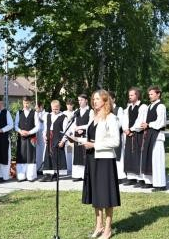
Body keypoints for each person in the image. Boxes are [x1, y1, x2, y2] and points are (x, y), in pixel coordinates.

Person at [74, 90, 120, 239]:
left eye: (98, 99)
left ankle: (108, 229)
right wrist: (77, 140)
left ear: (105, 101)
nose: (94, 101)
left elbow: (115, 142)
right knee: (95, 193)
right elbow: (90, 137)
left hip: (104, 160)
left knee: (106, 194)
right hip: (92, 158)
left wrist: (94, 145)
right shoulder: (93, 117)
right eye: (93, 99)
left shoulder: (112, 118)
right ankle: (99, 225)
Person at [140, 86, 167, 191]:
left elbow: (161, 122)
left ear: (158, 94)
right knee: (149, 158)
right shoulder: (150, 106)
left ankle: (160, 184)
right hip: (149, 135)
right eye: (149, 94)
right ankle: (150, 181)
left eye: (151, 94)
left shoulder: (161, 106)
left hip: (157, 136)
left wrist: (149, 124)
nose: (149, 96)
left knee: (157, 160)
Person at [122, 87, 148, 187]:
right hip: (129, 134)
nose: (130, 97)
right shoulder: (128, 107)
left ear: (137, 95)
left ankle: (140, 179)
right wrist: (126, 129)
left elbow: (140, 121)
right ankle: (131, 178)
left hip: (138, 134)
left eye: (132, 95)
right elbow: (125, 119)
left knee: (138, 155)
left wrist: (132, 129)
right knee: (129, 155)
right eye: (129, 95)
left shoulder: (143, 106)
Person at [39, 100, 68, 182]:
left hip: (57, 138)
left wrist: (63, 141)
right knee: (48, 156)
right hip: (49, 139)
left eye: (56, 109)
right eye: (53, 109)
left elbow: (66, 131)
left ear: (59, 107)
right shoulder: (48, 116)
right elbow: (45, 128)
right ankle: (48, 174)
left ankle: (55, 174)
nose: (55, 111)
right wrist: (44, 136)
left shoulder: (63, 117)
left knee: (57, 156)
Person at [14, 96, 39, 182]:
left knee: (31, 156)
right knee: (22, 156)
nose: (26, 105)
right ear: (22, 103)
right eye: (24, 103)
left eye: (27, 103)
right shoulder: (19, 113)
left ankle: (30, 176)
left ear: (30, 103)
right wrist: (20, 131)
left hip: (31, 138)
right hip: (21, 138)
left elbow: (37, 126)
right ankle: (21, 176)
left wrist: (29, 132)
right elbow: (16, 125)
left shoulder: (34, 113)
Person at [70, 94, 94, 181]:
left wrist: (80, 128)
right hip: (77, 135)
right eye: (79, 100)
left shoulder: (90, 111)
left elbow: (90, 124)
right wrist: (76, 129)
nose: (80, 102)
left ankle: (86, 175)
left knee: (84, 154)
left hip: (85, 135)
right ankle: (77, 175)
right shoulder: (76, 111)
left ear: (86, 100)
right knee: (78, 154)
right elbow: (73, 123)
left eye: (81, 100)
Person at [109, 91, 126, 183]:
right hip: (107, 137)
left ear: (114, 99)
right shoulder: (105, 110)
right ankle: (111, 175)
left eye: (109, 98)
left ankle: (119, 176)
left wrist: (112, 129)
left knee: (118, 156)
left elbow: (120, 122)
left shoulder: (119, 109)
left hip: (117, 135)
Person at [35, 101, 47, 175]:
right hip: (37, 135)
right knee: (38, 152)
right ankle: (38, 168)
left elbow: (45, 123)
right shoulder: (36, 113)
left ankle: (43, 168)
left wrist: (40, 120)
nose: (36, 109)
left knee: (43, 152)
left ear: (41, 107)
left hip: (43, 135)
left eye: (37, 108)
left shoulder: (46, 114)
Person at [63, 99, 75, 175]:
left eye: (71, 104)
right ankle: (67, 168)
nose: (69, 106)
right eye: (68, 104)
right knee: (66, 152)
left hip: (73, 135)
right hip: (66, 134)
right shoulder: (63, 113)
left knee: (72, 152)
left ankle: (73, 168)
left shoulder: (75, 113)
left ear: (73, 105)